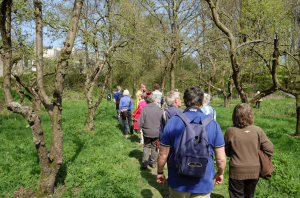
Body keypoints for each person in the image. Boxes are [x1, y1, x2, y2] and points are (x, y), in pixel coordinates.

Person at [157, 86, 226, 197]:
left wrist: (160, 172)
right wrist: (220, 173)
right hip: (203, 182)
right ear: (202, 102)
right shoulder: (213, 124)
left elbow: (162, 154)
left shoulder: (173, 121)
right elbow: (221, 158)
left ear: (185, 101)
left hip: (178, 182)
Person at [225, 103, 273, 198]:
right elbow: (270, 149)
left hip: (236, 170)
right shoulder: (257, 130)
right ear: (250, 115)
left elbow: (226, 151)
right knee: (249, 195)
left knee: (236, 195)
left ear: (234, 115)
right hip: (254, 170)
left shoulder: (230, 131)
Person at [137, 94, 163, 169]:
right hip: (156, 132)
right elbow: (162, 122)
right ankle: (153, 163)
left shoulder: (145, 109)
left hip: (147, 132)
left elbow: (140, 122)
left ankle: (145, 163)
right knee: (154, 147)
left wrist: (140, 127)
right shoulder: (159, 110)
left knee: (146, 146)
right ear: (154, 101)